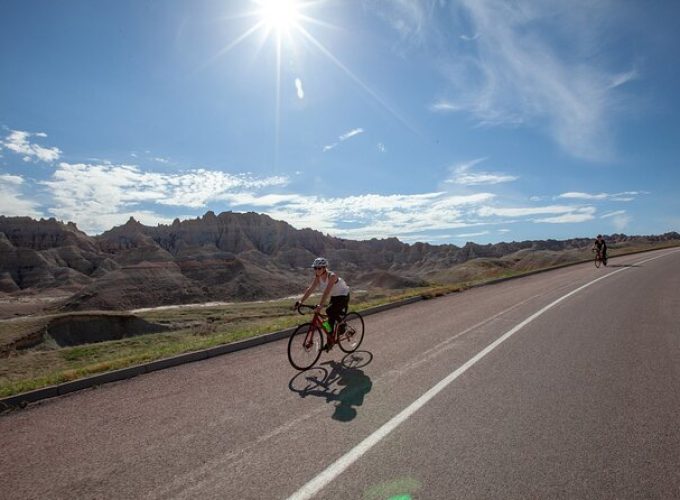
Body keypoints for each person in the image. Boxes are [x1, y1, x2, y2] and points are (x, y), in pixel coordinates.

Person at [294, 257, 350, 348]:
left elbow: (327, 292)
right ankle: (330, 343)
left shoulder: (332, 276)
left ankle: (343, 324)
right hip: (335, 297)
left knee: (329, 311)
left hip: (343, 295)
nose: (316, 270)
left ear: (324, 268)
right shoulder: (318, 277)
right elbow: (310, 289)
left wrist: (320, 305)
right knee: (328, 322)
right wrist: (300, 301)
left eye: (319, 268)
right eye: (315, 268)